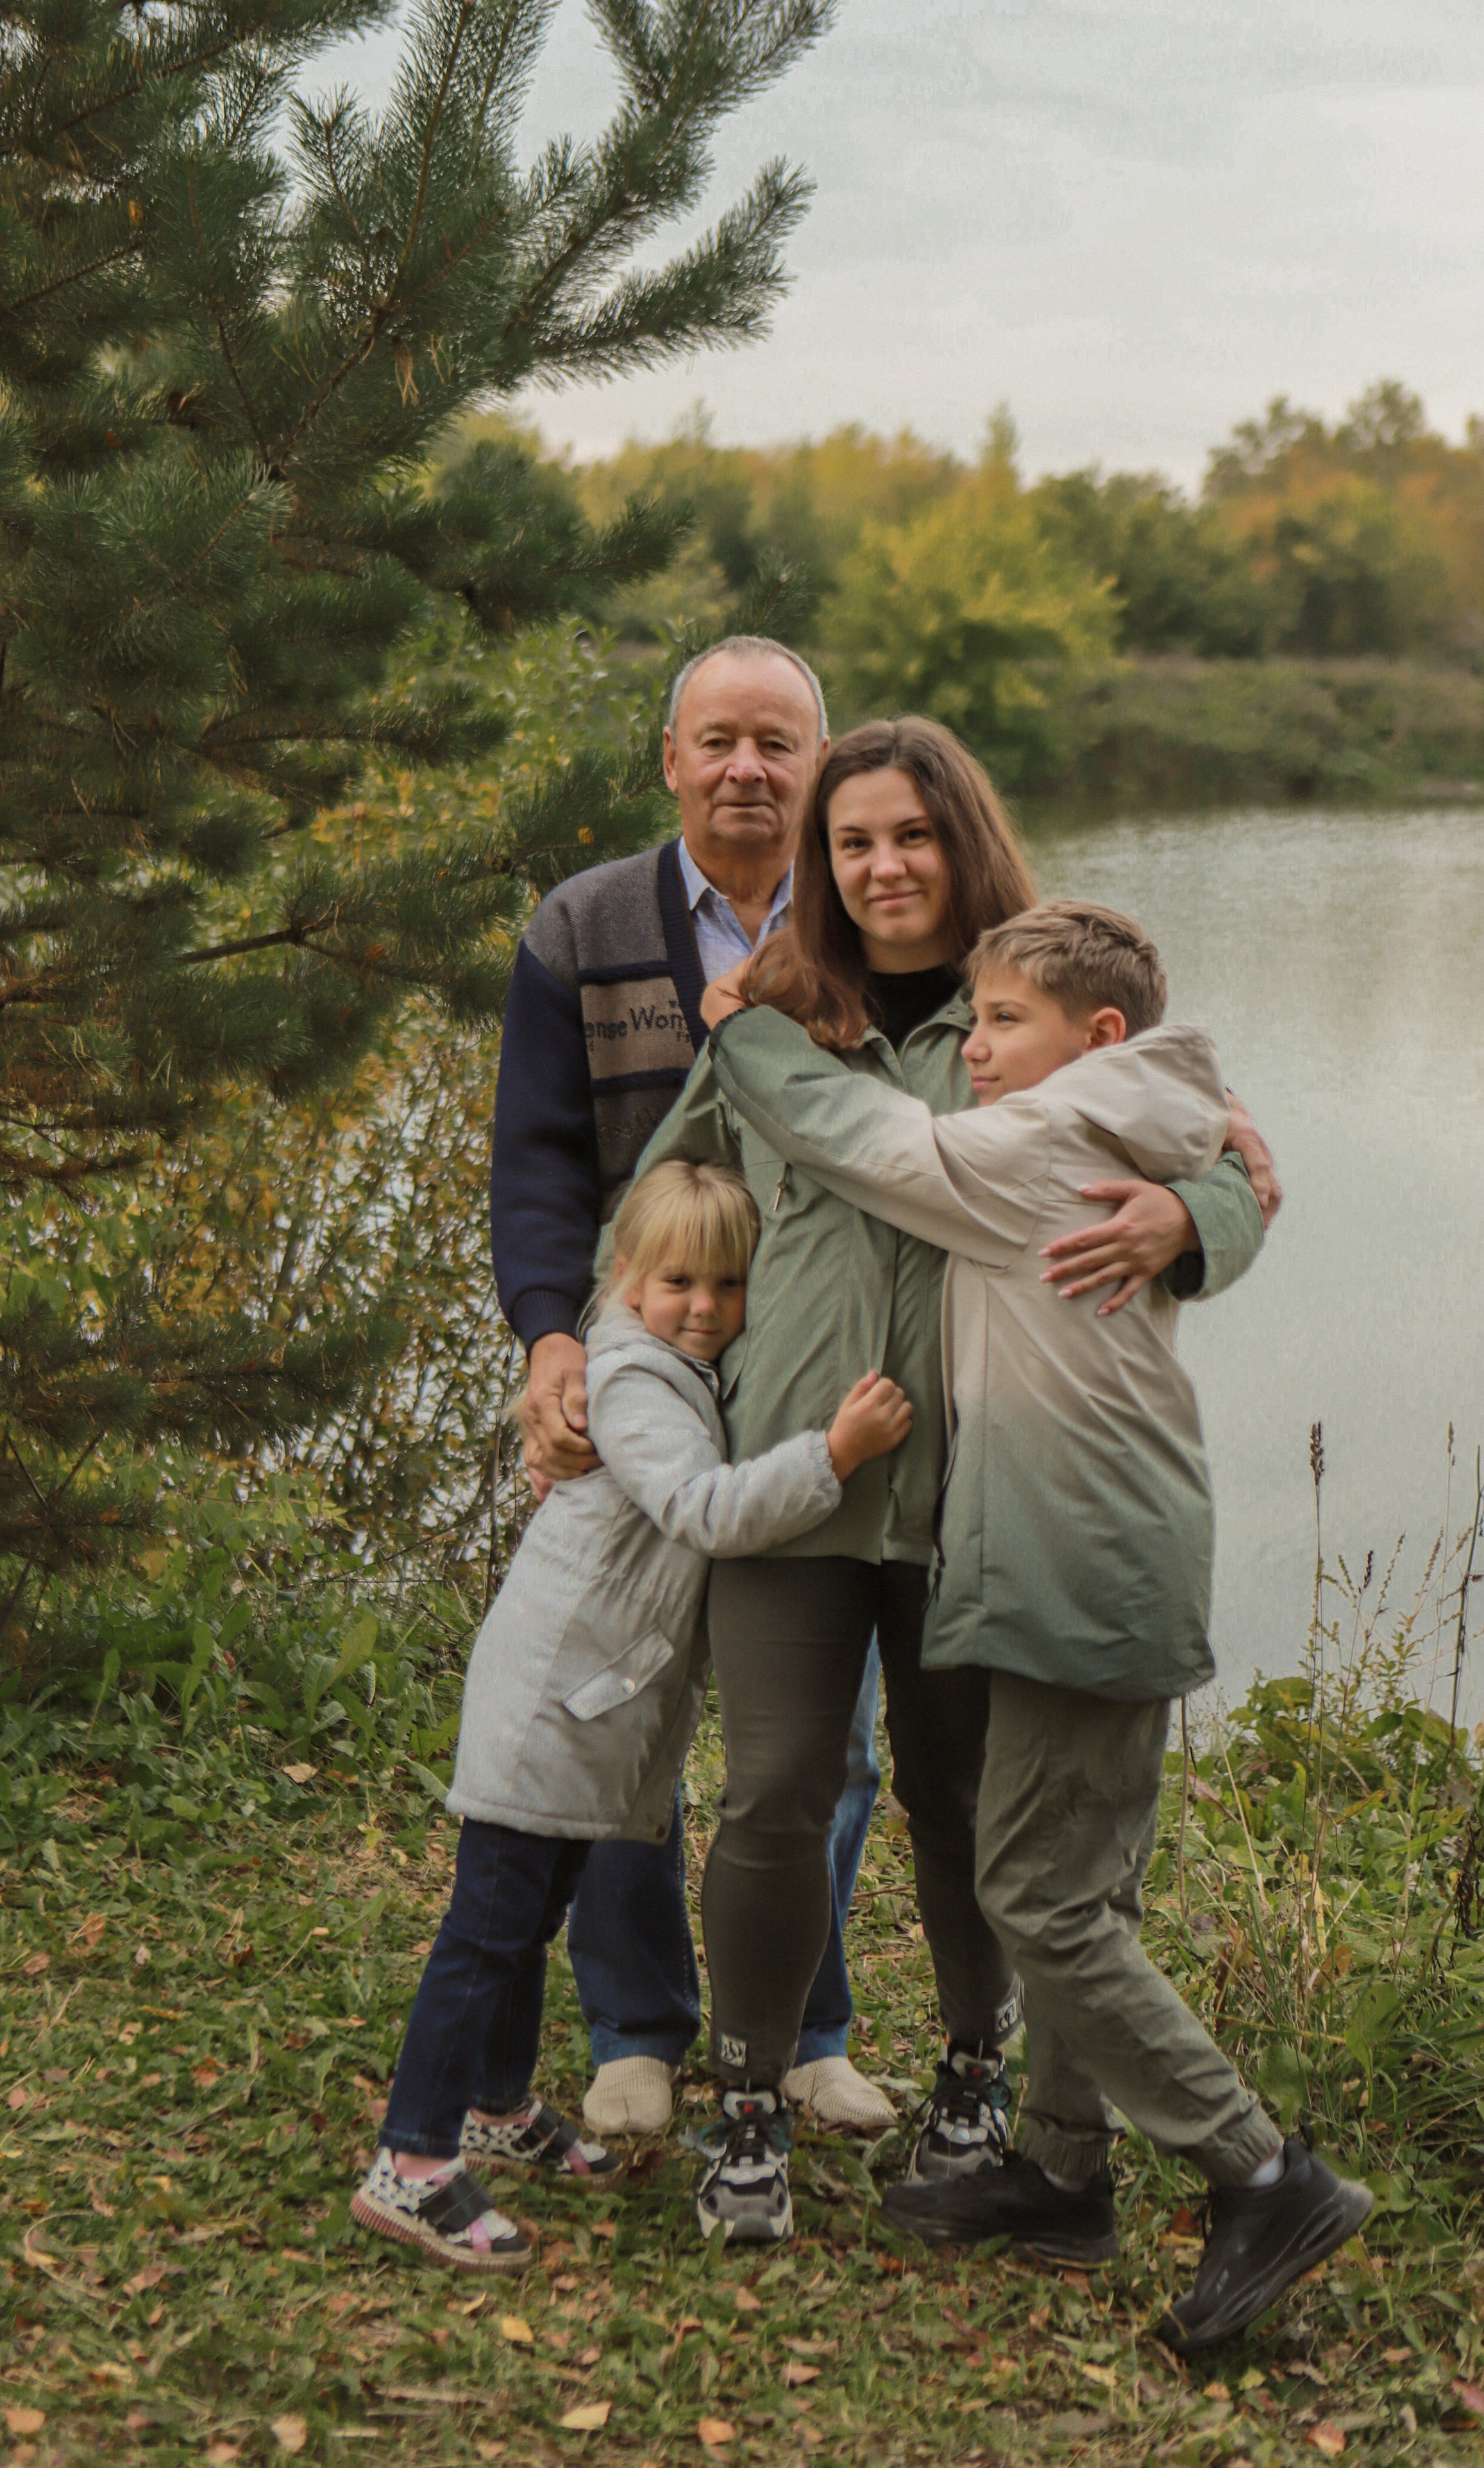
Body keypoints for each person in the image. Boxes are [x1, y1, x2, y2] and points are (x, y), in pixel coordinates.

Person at [625, 717, 1278, 2244]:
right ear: (819, 862)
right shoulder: (772, 1023)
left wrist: (1194, 1223)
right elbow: (658, 1214)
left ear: (961, 839)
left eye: (910, 834)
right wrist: (596, 1361)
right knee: (774, 1792)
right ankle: (748, 2101)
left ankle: (978, 2085)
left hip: (972, 1495)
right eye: (850, 842)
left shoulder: (1030, 1012)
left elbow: (1220, 1153)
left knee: (961, 1800)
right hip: (792, 1474)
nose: (882, 866)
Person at [706, 901, 1374, 2347]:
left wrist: (743, 1027)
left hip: (1082, 1556)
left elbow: (861, 1138)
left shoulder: (1047, 1140)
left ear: (1099, 1036)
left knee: (1037, 1896)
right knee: (1084, 1884)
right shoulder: (1143, 1117)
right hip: (1100, 1543)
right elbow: (1213, 1154)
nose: (976, 1046)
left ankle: (1262, 2174)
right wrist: (1220, 1177)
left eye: (1003, 1021)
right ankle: (1064, 2175)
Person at [351, 1160, 911, 2272]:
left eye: (728, 1284)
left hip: (588, 1703)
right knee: (487, 1930)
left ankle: (497, 2104)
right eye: (678, 1283)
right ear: (626, 1278)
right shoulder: (637, 1386)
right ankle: (411, 2161)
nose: (703, 1306)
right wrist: (834, 1456)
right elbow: (704, 1509)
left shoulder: (678, 1370)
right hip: (550, 1704)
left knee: (532, 1913)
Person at [489, 635, 891, 2137]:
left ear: (820, 763)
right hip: (642, 1380)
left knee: (824, 1746)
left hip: (813, 1382)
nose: (746, 769)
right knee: (621, 1721)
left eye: (778, 743)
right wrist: (553, 1341)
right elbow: (535, 1161)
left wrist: (1208, 1128)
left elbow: (1050, 1038)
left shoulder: (881, 915)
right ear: (668, 759)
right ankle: (636, 2029)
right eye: (716, 739)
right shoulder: (584, 925)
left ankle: (801, 2030)